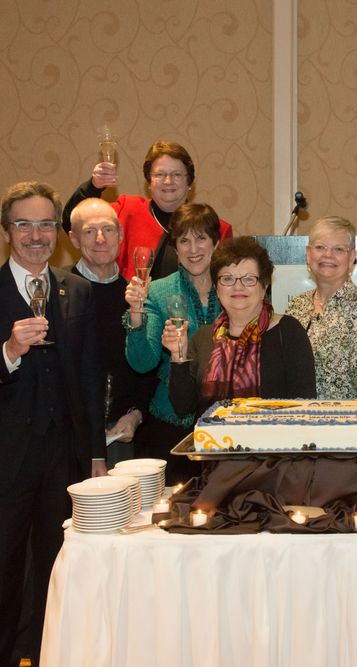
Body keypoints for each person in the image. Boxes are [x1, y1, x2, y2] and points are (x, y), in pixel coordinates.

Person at [0, 181, 106, 666]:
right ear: (6, 231)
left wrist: (96, 455)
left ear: (57, 231)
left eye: (44, 224)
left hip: (63, 462)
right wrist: (9, 351)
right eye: (23, 224)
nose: (35, 235)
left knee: (57, 577)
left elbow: (88, 379)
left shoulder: (78, 290)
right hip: (3, 463)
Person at [124, 202, 223, 484]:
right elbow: (142, 362)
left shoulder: (233, 287)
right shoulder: (157, 291)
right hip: (170, 425)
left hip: (226, 422)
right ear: (175, 249)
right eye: (184, 241)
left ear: (216, 243)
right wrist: (136, 313)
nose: (193, 249)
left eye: (201, 238)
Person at [168, 236, 316, 417]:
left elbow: (305, 404)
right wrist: (178, 354)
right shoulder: (204, 337)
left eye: (248, 279)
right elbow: (183, 408)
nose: (238, 286)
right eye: (227, 278)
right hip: (212, 435)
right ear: (217, 287)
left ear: (264, 286)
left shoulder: (287, 331)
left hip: (273, 434)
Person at [62, 140, 233, 281]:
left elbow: (225, 281)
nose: (168, 181)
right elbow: (72, 223)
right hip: (128, 308)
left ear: (189, 183)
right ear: (149, 182)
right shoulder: (127, 209)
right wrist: (93, 187)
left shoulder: (217, 228)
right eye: (159, 175)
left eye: (177, 175)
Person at [68, 198, 152, 465]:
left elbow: (148, 368)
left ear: (121, 235)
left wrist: (135, 414)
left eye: (108, 229)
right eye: (89, 231)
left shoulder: (137, 297)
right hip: (69, 436)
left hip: (121, 433)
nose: (100, 239)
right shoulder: (58, 294)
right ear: (74, 239)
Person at [285, 216, 357, 398]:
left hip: (347, 417)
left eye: (339, 249)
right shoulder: (295, 307)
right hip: (295, 415)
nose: (328, 255)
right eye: (320, 247)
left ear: (352, 258)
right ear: (308, 254)